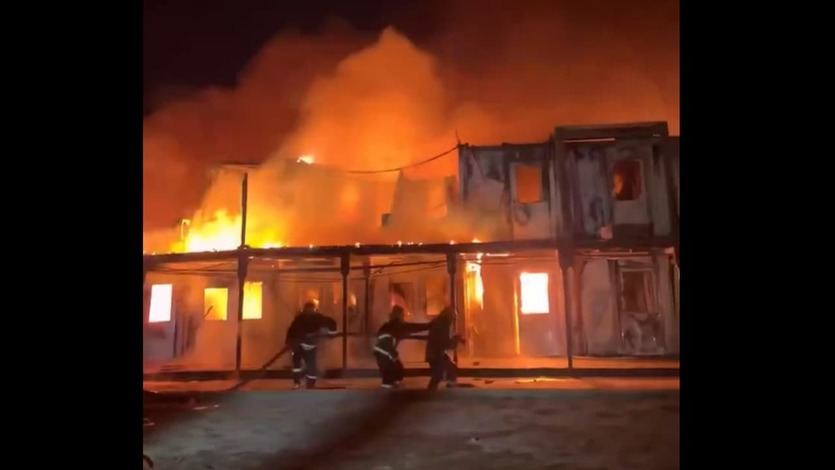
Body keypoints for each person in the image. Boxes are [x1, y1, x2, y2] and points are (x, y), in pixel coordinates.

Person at [373, 305, 431, 389]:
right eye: (402, 315)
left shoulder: (388, 325)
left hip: (383, 352)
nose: (404, 317)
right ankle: (387, 389)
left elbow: (411, 328)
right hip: (385, 353)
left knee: (398, 370)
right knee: (390, 374)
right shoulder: (397, 325)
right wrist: (429, 326)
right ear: (399, 315)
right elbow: (412, 327)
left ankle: (392, 386)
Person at [284, 301, 338, 389]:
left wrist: (332, 334)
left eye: (311, 309)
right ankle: (297, 382)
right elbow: (292, 331)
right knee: (297, 365)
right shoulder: (299, 319)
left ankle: (310, 384)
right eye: (308, 309)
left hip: (309, 346)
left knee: (311, 366)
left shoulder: (317, 318)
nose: (309, 311)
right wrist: (290, 342)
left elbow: (331, 323)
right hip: (299, 346)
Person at [424, 306, 464, 390]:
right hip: (436, 355)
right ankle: (444, 391)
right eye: (454, 316)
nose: (454, 319)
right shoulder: (443, 324)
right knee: (443, 373)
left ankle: (435, 391)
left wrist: (455, 339)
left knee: (443, 373)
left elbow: (443, 342)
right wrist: (456, 339)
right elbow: (445, 343)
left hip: (435, 354)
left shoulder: (440, 323)